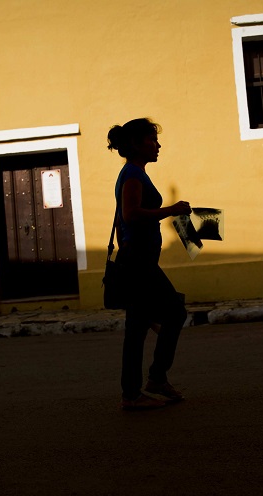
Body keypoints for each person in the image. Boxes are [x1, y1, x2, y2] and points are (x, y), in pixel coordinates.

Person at [107, 118, 190, 410]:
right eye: (152, 140)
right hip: (139, 261)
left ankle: (134, 391)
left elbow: (121, 220)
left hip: (137, 258)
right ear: (137, 144)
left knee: (138, 327)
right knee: (175, 313)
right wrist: (171, 210)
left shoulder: (134, 173)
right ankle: (150, 381)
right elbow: (130, 215)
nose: (157, 145)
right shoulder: (132, 174)